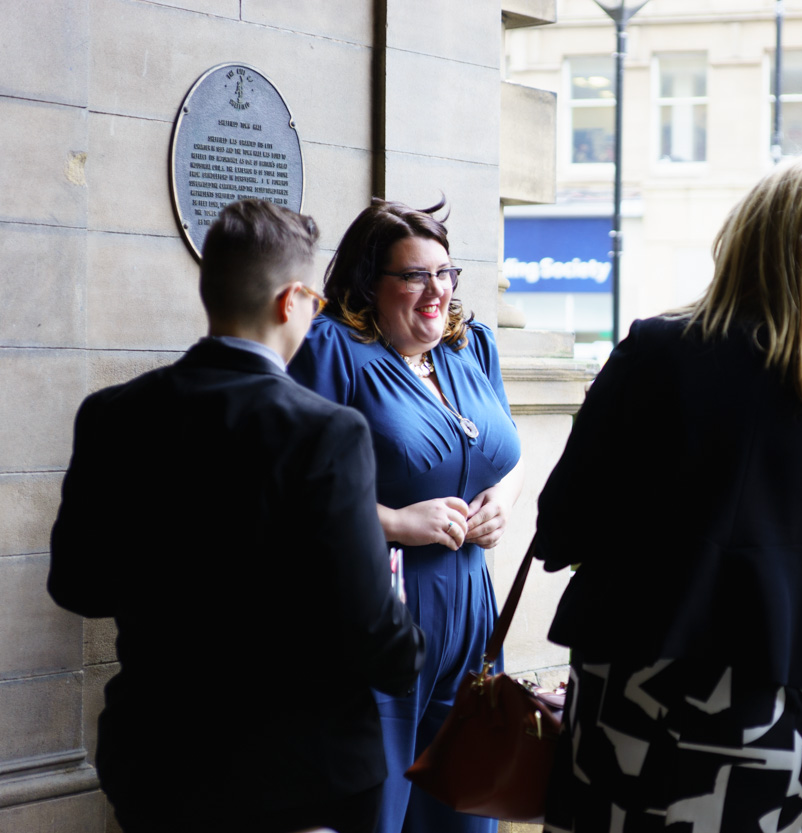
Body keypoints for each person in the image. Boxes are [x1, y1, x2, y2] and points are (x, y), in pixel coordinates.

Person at [533, 152, 802, 832]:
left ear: (744, 238)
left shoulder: (655, 350)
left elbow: (562, 524)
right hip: (766, 710)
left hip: (630, 686)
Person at [47, 199, 425, 833]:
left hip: (159, 760)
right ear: (291, 300)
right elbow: (373, 635)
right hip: (303, 770)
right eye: (315, 303)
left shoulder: (113, 415)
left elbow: (77, 585)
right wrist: (403, 630)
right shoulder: (325, 432)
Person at [288, 197, 523, 833]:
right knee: (374, 811)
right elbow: (290, 487)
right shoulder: (330, 348)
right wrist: (396, 521)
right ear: (371, 282)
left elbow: (506, 455)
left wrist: (500, 502)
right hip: (381, 613)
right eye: (414, 275)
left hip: (473, 613)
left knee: (467, 804)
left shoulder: (471, 345)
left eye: (445, 273)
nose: (436, 291)